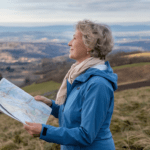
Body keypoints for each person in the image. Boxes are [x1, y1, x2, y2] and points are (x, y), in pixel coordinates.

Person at [24, 19, 118, 150]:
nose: (69, 43)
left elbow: (86, 135)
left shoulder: (98, 85)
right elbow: (74, 115)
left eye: (74, 38)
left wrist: (44, 131)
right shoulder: (78, 75)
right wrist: (51, 106)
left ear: (89, 45)